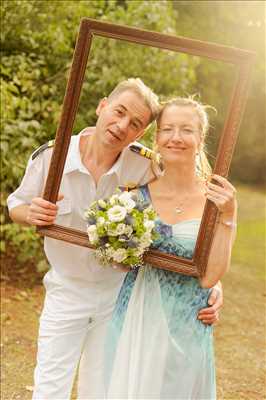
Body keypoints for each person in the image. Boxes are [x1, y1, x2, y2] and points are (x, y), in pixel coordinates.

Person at [7, 80, 223, 400]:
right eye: (119, 112)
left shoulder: (145, 164)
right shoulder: (52, 156)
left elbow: (178, 216)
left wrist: (212, 282)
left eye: (135, 123)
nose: (122, 126)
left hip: (119, 294)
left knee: (103, 388)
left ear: (141, 134)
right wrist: (30, 213)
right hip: (66, 289)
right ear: (102, 105)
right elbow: (16, 204)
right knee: (50, 387)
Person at [104, 97, 237, 399]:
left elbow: (209, 277)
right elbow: (121, 265)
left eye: (186, 130)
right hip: (136, 315)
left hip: (187, 321)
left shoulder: (218, 202)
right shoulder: (134, 198)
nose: (176, 138)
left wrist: (230, 216)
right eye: (168, 129)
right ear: (157, 137)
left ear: (200, 138)